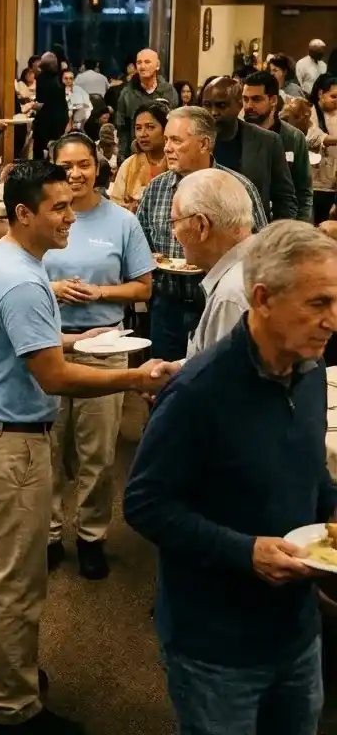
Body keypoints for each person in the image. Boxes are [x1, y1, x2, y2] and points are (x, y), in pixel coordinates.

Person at [0, 160, 170, 735]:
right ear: (23, 213)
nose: (69, 216)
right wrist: (132, 378)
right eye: (56, 207)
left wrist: (78, 336)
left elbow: (24, 343)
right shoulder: (26, 280)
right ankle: (15, 707)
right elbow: (53, 377)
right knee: (19, 583)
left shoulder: (8, 259)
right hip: (12, 446)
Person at [124, 219, 337, 735]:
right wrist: (244, 552)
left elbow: (306, 469)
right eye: (318, 304)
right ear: (262, 299)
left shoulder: (308, 375)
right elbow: (145, 504)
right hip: (216, 647)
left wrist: (331, 511)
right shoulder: (199, 393)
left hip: (296, 632)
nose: (332, 320)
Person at [44, 134, 154, 579]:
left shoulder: (121, 222)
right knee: (47, 447)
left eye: (84, 164)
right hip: (49, 344)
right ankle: (49, 533)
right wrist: (50, 289)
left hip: (105, 345)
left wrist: (101, 291)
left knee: (98, 453)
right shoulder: (44, 216)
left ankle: (91, 534)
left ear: (98, 167)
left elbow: (144, 287)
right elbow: (20, 270)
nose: (75, 174)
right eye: (66, 165)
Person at [137, 106, 267, 361]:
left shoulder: (236, 187)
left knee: (216, 380)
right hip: (168, 305)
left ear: (204, 144)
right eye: (166, 140)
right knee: (166, 384)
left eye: (176, 140)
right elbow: (138, 242)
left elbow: (261, 248)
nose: (166, 148)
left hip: (222, 302)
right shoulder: (157, 188)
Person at [170, 168, 254, 361]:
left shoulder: (231, 295)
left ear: (201, 226)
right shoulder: (261, 261)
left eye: (174, 222)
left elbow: (222, 385)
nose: (173, 234)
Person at [201, 76, 298, 221]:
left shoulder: (267, 141)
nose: (213, 112)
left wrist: (276, 237)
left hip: (253, 233)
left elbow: (284, 198)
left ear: (239, 105)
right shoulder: (192, 139)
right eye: (207, 105)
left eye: (221, 105)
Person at [243, 70, 313, 222]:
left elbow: (303, 191)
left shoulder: (294, 138)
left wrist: (301, 229)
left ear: (273, 100)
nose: (249, 106)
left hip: (284, 223)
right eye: (245, 99)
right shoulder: (237, 135)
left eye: (256, 99)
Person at [114, 49, 178, 164]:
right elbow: (122, 128)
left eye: (147, 62)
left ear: (157, 65)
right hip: (136, 155)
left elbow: (174, 126)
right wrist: (122, 157)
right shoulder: (127, 94)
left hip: (164, 156)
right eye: (139, 63)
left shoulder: (169, 91)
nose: (142, 66)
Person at [110, 104, 168, 212]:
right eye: (138, 128)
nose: (142, 134)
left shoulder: (175, 162)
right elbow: (115, 206)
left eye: (150, 127)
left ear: (165, 129)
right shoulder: (129, 165)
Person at [306, 73, 337, 224]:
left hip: (333, 185)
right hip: (313, 185)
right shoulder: (307, 112)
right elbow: (313, 138)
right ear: (320, 94)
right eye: (334, 96)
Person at [32, 52, 68, 159]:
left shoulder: (41, 78)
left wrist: (33, 106)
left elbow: (41, 102)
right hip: (59, 120)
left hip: (45, 121)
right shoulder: (59, 80)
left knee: (39, 153)